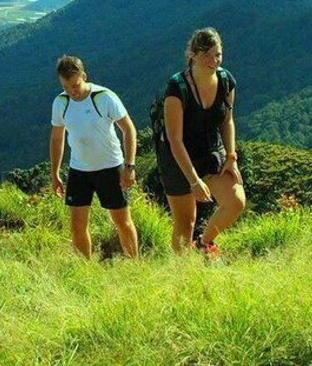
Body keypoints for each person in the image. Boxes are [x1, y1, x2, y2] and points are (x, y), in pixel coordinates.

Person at [160, 28, 246, 257]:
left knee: (236, 201)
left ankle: (203, 244)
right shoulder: (177, 88)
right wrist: (194, 181)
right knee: (185, 223)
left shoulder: (226, 81)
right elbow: (174, 140)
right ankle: (182, 272)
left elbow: (227, 121)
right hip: (178, 157)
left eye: (217, 54)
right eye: (207, 55)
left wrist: (231, 157)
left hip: (209, 149)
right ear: (193, 55)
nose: (213, 61)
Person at [50, 55, 139, 259]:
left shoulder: (104, 97)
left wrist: (129, 166)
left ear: (84, 76)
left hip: (110, 168)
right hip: (79, 170)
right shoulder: (60, 102)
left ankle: (135, 265)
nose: (71, 91)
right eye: (65, 86)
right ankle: (85, 270)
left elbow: (129, 130)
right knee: (77, 227)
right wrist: (54, 173)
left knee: (122, 222)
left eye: (75, 85)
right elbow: (57, 139)